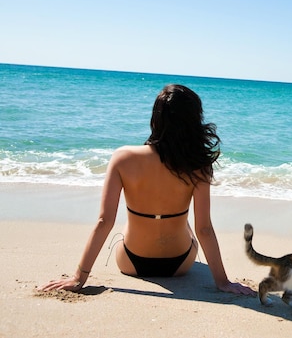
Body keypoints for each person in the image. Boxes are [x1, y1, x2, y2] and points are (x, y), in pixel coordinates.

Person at [40, 84, 255, 296]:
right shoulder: (198, 165)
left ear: (156, 118)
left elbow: (104, 221)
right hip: (180, 264)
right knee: (186, 222)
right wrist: (222, 282)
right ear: (193, 121)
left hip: (131, 262)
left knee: (131, 220)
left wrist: (79, 277)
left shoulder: (122, 158)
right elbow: (204, 229)